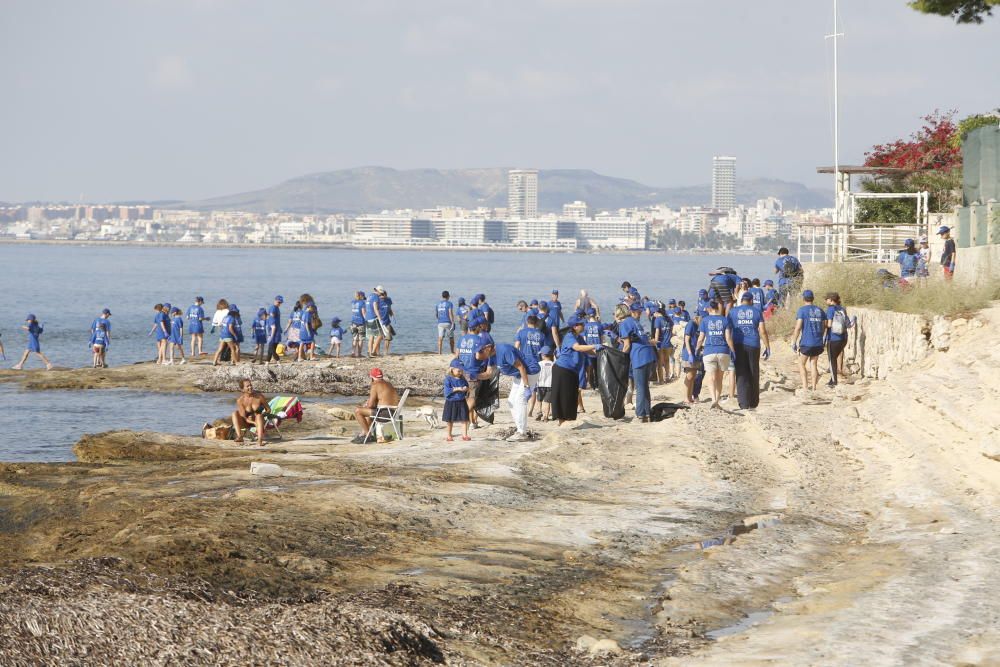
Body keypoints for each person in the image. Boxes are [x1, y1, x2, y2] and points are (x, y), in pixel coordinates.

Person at [550, 316, 599, 424]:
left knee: (572, 395)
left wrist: (600, 354)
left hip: (573, 370)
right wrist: (595, 345)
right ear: (575, 326)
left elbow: (588, 351)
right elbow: (577, 348)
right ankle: (561, 421)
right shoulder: (569, 336)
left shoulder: (579, 337)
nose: (584, 325)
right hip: (562, 369)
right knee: (562, 396)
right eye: (581, 324)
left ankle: (568, 419)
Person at [729, 293, 770, 410]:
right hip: (753, 344)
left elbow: (728, 330)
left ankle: (743, 403)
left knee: (741, 374)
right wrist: (767, 346)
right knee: (753, 373)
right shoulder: (757, 311)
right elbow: (762, 331)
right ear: (751, 301)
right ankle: (753, 403)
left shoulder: (732, 312)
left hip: (738, 344)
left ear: (741, 300)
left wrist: (729, 347)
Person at [618, 303, 656, 421]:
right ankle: (647, 413)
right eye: (639, 312)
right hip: (649, 355)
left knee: (640, 387)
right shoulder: (636, 323)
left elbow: (627, 345)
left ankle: (640, 414)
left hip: (640, 357)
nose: (640, 314)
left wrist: (620, 359)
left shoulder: (625, 323)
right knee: (644, 386)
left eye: (640, 312)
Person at [457, 317, 495, 430]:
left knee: (466, 396)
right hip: (473, 371)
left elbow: (457, 355)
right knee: (472, 398)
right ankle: (463, 416)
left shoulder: (462, 339)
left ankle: (469, 421)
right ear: (478, 328)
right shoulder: (478, 340)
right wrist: (488, 355)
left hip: (461, 370)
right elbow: (478, 356)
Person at [697, 300, 734, 410]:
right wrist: (733, 350)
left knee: (711, 377)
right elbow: (728, 338)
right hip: (723, 351)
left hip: (709, 351)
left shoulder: (705, 320)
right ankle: (717, 400)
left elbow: (701, 338)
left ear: (709, 309)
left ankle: (713, 400)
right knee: (719, 378)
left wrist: (696, 349)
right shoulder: (724, 320)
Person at [495, 342, 532, 442]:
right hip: (518, 375)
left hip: (530, 371)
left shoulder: (504, 350)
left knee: (520, 400)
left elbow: (521, 367)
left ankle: (522, 432)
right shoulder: (490, 355)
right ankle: (519, 427)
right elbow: (490, 372)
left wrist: (527, 386)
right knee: (511, 400)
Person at [352, 368, 400, 444]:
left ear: (372, 377)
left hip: (385, 414)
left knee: (357, 411)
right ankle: (364, 433)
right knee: (368, 412)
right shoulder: (388, 384)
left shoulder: (375, 384)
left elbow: (371, 405)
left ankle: (368, 434)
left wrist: (364, 406)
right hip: (393, 413)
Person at [793, 290, 828, 391]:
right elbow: (824, 326)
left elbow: (798, 327)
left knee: (801, 363)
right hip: (818, 342)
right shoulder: (820, 310)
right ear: (813, 298)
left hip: (807, 342)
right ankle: (814, 387)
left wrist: (794, 341)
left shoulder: (802, 310)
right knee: (813, 364)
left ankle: (805, 387)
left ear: (803, 298)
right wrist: (820, 336)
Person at [515, 314, 545, 419]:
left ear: (527, 322)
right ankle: (530, 411)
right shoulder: (541, 334)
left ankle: (522, 408)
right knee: (534, 388)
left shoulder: (521, 332)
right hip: (536, 362)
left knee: (523, 385)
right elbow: (542, 351)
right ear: (536, 323)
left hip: (523, 362)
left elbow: (516, 347)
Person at [231, 378, 269, 447]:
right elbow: (244, 417)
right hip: (247, 422)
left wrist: (263, 415)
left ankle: (260, 440)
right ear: (242, 389)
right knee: (234, 413)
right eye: (247, 386)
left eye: (251, 385)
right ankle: (240, 436)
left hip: (259, 420)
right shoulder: (240, 400)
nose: (250, 387)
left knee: (258, 416)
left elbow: (268, 409)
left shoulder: (259, 397)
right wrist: (254, 423)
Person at [825, 292, 851, 387]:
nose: (825, 301)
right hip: (843, 338)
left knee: (832, 360)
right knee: (834, 358)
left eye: (827, 299)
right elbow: (848, 323)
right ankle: (832, 379)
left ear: (831, 300)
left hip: (833, 338)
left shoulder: (830, 309)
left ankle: (834, 381)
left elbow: (829, 324)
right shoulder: (842, 309)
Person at [443, 359, 471, 442]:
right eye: (459, 371)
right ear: (452, 369)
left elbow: (467, 386)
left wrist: (466, 388)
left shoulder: (462, 378)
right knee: (449, 420)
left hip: (461, 401)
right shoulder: (448, 379)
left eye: (461, 371)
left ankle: (464, 435)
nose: (460, 373)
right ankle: (448, 435)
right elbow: (447, 391)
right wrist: (456, 389)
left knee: (464, 419)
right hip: (451, 402)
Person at [681, 314, 704, 404]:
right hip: (689, 353)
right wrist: (690, 354)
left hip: (696, 352)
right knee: (689, 375)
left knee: (693, 375)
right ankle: (686, 397)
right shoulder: (691, 324)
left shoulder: (698, 326)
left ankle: (690, 397)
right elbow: (687, 340)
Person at [651, 306, 673, 384]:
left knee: (659, 363)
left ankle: (661, 380)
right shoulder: (669, 319)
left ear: (657, 312)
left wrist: (656, 341)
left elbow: (657, 331)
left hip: (661, 343)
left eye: (653, 313)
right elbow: (672, 330)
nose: (653, 315)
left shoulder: (657, 320)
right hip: (669, 343)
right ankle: (667, 377)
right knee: (667, 360)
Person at [534, 346, 554, 421]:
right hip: (550, 385)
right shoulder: (553, 364)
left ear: (542, 355)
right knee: (547, 401)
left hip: (540, 385)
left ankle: (539, 412)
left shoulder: (539, 364)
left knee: (539, 400)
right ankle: (546, 416)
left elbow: (536, 374)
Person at [436, 290, 456, 354]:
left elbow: (437, 314)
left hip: (440, 322)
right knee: (451, 337)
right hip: (447, 322)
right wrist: (452, 322)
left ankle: (439, 352)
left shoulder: (438, 304)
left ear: (442, 296)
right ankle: (452, 351)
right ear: (448, 296)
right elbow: (450, 313)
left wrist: (439, 320)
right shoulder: (449, 303)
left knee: (440, 338)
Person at [349, 291, 366, 357]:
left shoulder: (353, 302)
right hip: (361, 322)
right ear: (361, 296)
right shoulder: (362, 303)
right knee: (361, 339)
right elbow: (363, 313)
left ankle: (353, 352)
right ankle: (359, 353)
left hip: (353, 322)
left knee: (355, 338)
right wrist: (367, 320)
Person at [366, 288, 382, 356]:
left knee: (371, 336)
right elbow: (375, 308)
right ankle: (373, 352)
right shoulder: (376, 297)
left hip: (368, 318)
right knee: (380, 335)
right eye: (380, 292)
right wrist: (379, 317)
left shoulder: (369, 296)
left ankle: (369, 352)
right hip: (373, 318)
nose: (380, 294)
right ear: (377, 291)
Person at [265, 299, 282, 365]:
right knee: (270, 349)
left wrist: (271, 336)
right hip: (275, 333)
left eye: (280, 302)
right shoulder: (274, 309)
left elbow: (273, 327)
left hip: (274, 334)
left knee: (272, 348)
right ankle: (267, 362)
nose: (279, 304)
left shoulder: (271, 319)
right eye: (278, 302)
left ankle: (278, 361)